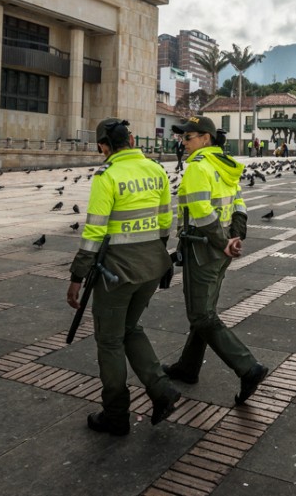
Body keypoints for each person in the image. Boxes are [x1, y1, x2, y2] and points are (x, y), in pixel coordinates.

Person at [66, 118, 180, 435]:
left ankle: (116, 414)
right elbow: (164, 221)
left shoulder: (108, 175)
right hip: (151, 268)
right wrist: (156, 257)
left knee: (110, 340)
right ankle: (162, 391)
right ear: (131, 139)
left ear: (104, 145)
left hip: (117, 274)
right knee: (131, 328)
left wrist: (77, 275)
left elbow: (94, 232)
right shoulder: (156, 170)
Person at [163, 115, 268, 406]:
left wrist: (223, 243)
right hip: (221, 249)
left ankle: (248, 367)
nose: (183, 143)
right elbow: (238, 203)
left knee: (201, 315)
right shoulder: (224, 164)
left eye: (188, 137)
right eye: (182, 138)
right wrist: (235, 238)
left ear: (205, 138)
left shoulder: (198, 166)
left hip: (203, 248)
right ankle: (188, 367)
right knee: (204, 310)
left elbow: (200, 210)